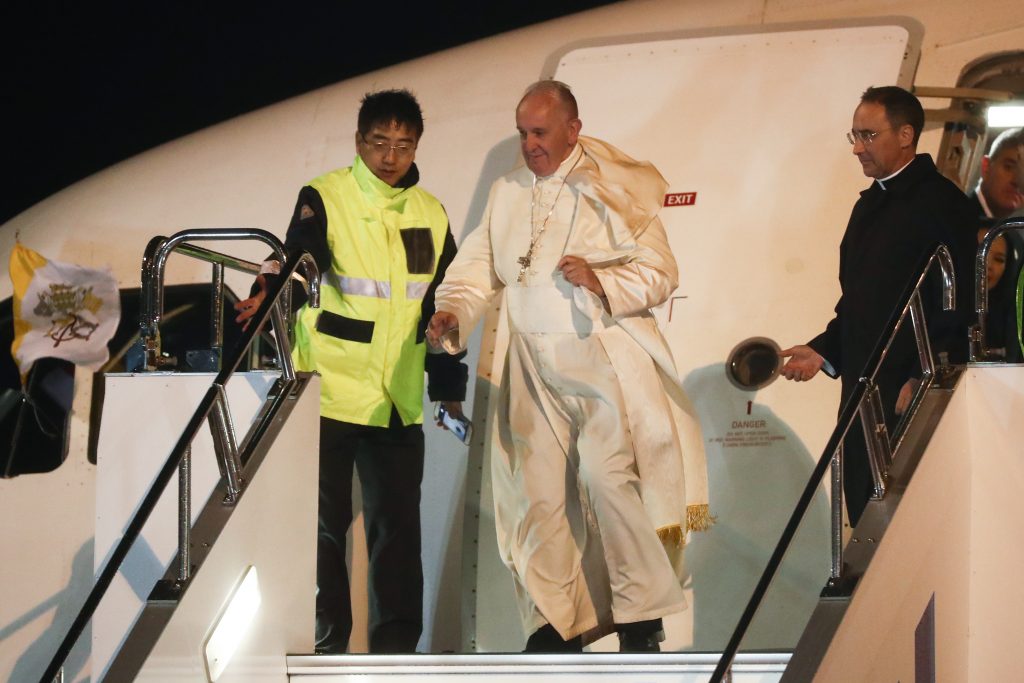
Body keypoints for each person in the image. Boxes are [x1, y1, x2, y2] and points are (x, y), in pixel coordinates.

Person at [425, 80, 710, 653]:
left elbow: (661, 273)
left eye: (540, 132)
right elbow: (475, 269)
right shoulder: (507, 192)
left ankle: (641, 616)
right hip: (529, 363)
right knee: (535, 497)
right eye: (522, 133)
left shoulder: (616, 188)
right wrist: (452, 312)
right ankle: (556, 623)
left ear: (572, 129)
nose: (529, 145)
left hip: (600, 356)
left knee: (609, 480)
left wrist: (603, 280)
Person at [235, 89, 468, 654]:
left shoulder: (431, 213)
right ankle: (326, 642)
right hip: (330, 391)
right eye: (379, 143)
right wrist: (266, 287)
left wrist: (448, 392)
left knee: (397, 533)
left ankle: (396, 650)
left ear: (417, 146)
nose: (391, 156)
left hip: (396, 397)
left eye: (403, 145)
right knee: (323, 527)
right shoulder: (326, 195)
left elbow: (443, 308)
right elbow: (299, 255)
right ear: (360, 141)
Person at [779, 86, 975, 526]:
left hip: (909, 391)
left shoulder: (943, 204)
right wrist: (825, 349)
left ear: (906, 135)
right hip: (864, 388)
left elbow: (959, 300)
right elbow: (861, 300)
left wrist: (924, 376)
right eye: (853, 137)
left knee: (907, 524)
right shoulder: (869, 205)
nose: (857, 149)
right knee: (865, 512)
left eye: (867, 135)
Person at [968, 127, 1023, 361]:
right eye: (1009, 166)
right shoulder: (959, 222)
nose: (1018, 180)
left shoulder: (1015, 237)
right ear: (985, 166)